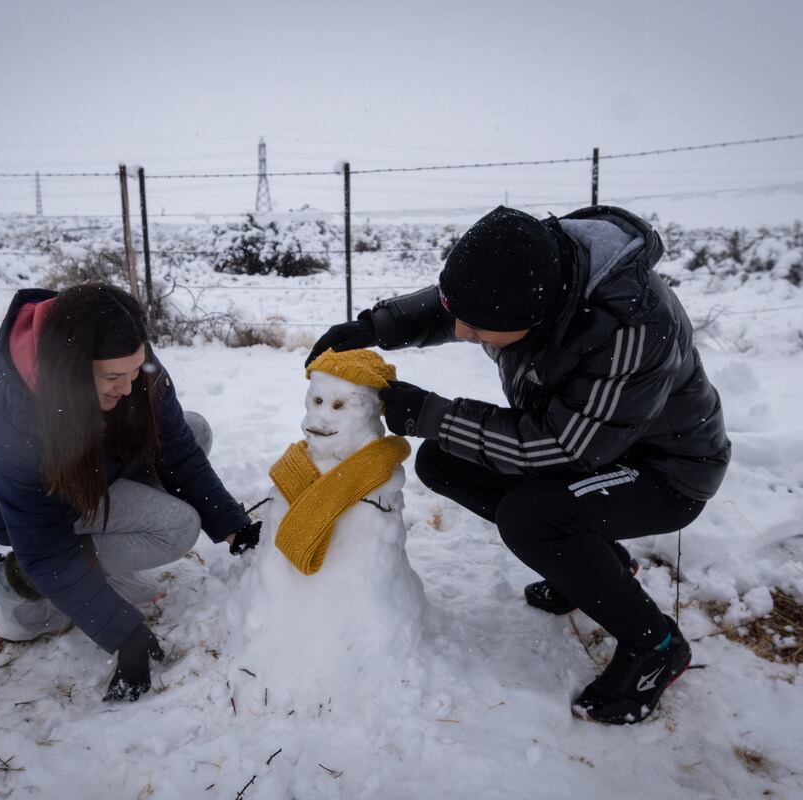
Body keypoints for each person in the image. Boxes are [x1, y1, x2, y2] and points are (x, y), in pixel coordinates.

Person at [306, 205, 730, 724]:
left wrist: (430, 411)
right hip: (589, 443)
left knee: (533, 519)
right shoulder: (531, 274)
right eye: (463, 317)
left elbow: (566, 448)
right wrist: (377, 326)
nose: (462, 332)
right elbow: (454, 308)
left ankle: (655, 646)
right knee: (443, 458)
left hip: (664, 471)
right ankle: (598, 568)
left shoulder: (630, 329)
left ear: (534, 318)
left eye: (480, 328)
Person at [0, 283, 260, 702]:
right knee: (176, 526)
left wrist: (232, 526)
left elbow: (178, 451)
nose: (130, 387)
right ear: (72, 370)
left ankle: (103, 565)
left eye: (136, 371)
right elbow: (47, 551)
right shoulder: (16, 427)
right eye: (114, 377)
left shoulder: (131, 368)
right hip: (30, 503)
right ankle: (8, 582)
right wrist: (124, 634)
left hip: (92, 463)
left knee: (195, 428)